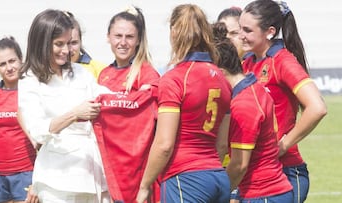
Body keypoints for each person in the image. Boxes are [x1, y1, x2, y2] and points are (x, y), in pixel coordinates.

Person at [136, 4, 231, 203]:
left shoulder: (175, 79)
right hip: (218, 177)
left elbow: (164, 144)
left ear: (174, 32)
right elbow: (222, 144)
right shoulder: (222, 79)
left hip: (186, 179)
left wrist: (145, 185)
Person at [18, 9, 112, 203]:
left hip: (94, 174)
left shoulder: (80, 72)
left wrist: (140, 94)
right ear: (42, 43)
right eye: (58, 44)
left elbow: (106, 97)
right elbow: (38, 131)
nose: (66, 50)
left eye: (69, 43)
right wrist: (74, 114)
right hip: (57, 180)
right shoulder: (29, 80)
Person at [239, 0, 327, 202]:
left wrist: (284, 144)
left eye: (247, 30)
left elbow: (317, 107)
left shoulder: (282, 61)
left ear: (269, 32)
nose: (241, 35)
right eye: (239, 28)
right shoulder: (248, 62)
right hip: (256, 172)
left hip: (285, 171)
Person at [213, 22, 293, 202]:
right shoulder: (252, 88)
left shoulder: (244, 104)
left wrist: (217, 196)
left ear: (220, 70)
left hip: (263, 195)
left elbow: (240, 165)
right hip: (262, 192)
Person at [92, 6, 160, 203]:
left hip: (137, 168)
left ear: (138, 40)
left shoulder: (147, 73)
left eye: (129, 37)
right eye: (118, 36)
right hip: (108, 166)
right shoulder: (104, 74)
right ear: (108, 37)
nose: (123, 42)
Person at [0, 36, 37, 203]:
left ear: (21, 60)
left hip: (25, 174)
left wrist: (39, 179)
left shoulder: (33, 93)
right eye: (2, 64)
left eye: (12, 61)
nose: (9, 67)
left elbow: (42, 139)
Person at [68, 11, 107, 79]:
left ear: (81, 41)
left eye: (74, 43)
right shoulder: (46, 70)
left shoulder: (100, 70)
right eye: (62, 43)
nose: (69, 49)